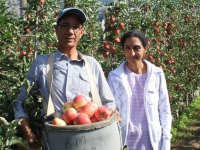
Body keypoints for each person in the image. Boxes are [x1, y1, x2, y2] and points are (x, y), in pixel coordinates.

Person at [13, 8, 116, 150]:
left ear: (82, 32)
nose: (70, 31)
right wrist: (27, 131)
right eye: (65, 25)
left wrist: (111, 113)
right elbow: (19, 101)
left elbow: (109, 102)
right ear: (56, 29)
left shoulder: (91, 64)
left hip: (91, 141)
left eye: (75, 27)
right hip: (55, 140)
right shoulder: (42, 64)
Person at [107, 30, 172, 150]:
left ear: (145, 49)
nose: (132, 53)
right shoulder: (114, 77)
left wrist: (166, 142)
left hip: (152, 142)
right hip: (125, 142)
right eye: (127, 48)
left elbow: (164, 111)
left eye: (137, 48)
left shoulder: (156, 74)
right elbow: (110, 110)